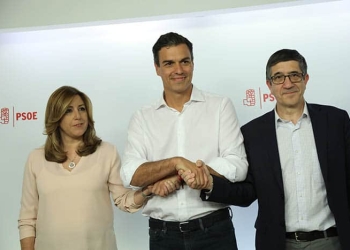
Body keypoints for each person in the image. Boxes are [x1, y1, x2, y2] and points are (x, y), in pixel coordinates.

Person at [180, 49, 350, 250]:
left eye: (294, 75)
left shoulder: (336, 121)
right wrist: (210, 184)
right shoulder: (253, 134)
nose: (287, 84)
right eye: (278, 78)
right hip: (277, 243)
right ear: (269, 85)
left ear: (306, 79)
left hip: (332, 240)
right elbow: (247, 192)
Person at [120, 32, 248, 250]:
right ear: (157, 68)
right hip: (163, 236)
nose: (178, 70)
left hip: (214, 231)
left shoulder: (220, 106)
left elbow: (237, 164)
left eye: (184, 62)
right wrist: (175, 162)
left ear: (192, 63)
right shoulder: (142, 117)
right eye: (169, 63)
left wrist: (183, 175)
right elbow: (130, 175)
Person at [18, 86, 151, 250]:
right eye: (68, 110)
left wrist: (147, 191)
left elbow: (124, 201)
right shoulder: (36, 158)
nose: (78, 116)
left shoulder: (106, 152)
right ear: (56, 116)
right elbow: (27, 219)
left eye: (82, 109)